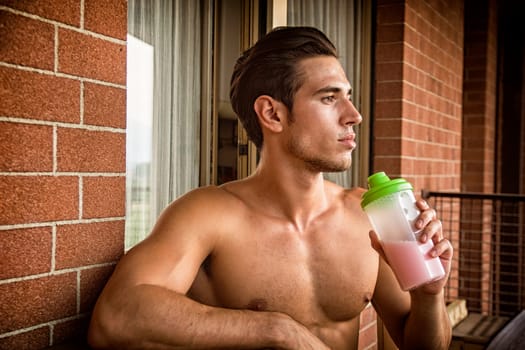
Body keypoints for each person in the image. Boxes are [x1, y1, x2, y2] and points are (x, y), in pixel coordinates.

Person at [88, 26, 453, 349]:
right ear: (273, 114)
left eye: (348, 95)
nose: (353, 114)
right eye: (329, 98)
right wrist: (276, 330)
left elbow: (419, 343)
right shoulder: (209, 214)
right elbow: (116, 317)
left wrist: (429, 296)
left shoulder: (366, 216)